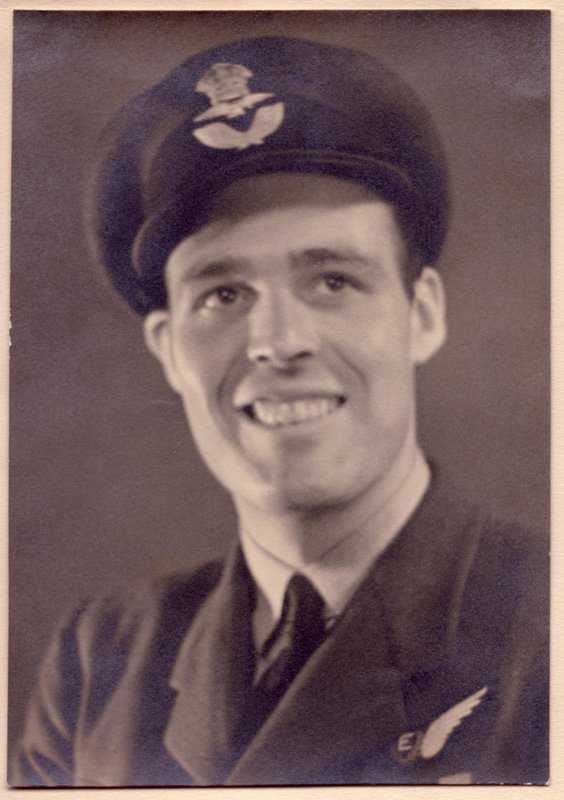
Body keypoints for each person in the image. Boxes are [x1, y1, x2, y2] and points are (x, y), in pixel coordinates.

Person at [12, 35, 548, 787]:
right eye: (224, 294)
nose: (278, 342)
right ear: (169, 349)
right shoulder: (102, 664)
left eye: (332, 281)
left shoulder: (546, 623)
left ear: (422, 314)